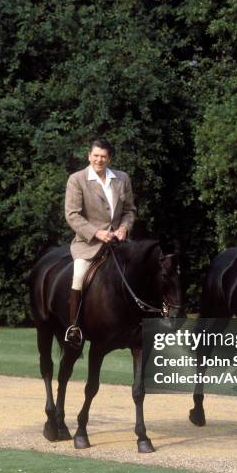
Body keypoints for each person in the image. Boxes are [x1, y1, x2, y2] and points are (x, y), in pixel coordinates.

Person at [64, 138, 136, 344]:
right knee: (78, 277)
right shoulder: (77, 179)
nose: (99, 160)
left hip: (119, 243)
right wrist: (96, 233)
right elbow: (72, 215)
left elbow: (130, 210)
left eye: (103, 156)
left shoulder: (122, 178)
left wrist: (124, 227)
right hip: (89, 244)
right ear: (89, 156)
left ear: (109, 158)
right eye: (95, 155)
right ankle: (74, 327)